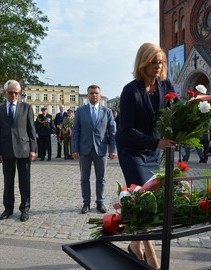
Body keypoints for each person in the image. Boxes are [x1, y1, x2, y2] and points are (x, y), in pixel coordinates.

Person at [116, 42, 176, 270]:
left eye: (160, 63)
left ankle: (134, 245)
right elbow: (126, 129)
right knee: (144, 198)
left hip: (152, 150)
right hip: (131, 150)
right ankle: (152, 257)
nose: (157, 67)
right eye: (153, 62)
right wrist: (157, 141)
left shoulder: (165, 85)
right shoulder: (130, 90)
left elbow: (176, 111)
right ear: (143, 63)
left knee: (150, 198)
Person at [0, 80, 37, 222]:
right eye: (11, 92)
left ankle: (25, 209)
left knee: (24, 182)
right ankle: (8, 208)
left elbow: (31, 130)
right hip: (6, 151)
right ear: (5, 93)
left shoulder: (26, 108)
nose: (14, 95)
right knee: (8, 182)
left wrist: (33, 149)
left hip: (24, 150)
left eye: (16, 93)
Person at [71, 85, 117, 215]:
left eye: (96, 93)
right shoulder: (80, 111)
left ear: (100, 95)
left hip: (101, 150)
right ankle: (86, 203)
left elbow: (112, 132)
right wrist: (74, 148)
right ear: (88, 95)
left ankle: (100, 202)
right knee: (84, 178)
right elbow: (75, 131)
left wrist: (113, 149)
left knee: (101, 178)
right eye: (91, 93)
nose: (94, 95)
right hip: (84, 150)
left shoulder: (107, 111)